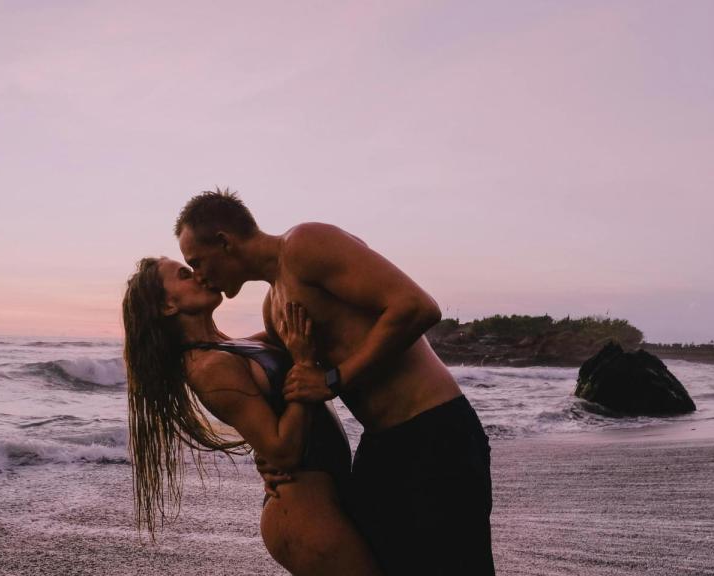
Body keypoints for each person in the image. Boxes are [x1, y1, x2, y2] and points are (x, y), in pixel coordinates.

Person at [175, 189, 495, 575]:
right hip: (380, 445)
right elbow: (261, 359)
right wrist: (271, 453)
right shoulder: (274, 305)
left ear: (224, 241)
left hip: (435, 431)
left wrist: (334, 379)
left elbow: (416, 306)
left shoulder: (306, 245)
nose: (199, 275)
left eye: (196, 261)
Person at [122, 256, 382, 575]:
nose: (200, 277)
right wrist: (302, 364)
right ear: (168, 305)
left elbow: (303, 338)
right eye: (185, 274)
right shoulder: (208, 368)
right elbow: (283, 452)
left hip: (322, 496)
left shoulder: (234, 346)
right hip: (300, 510)